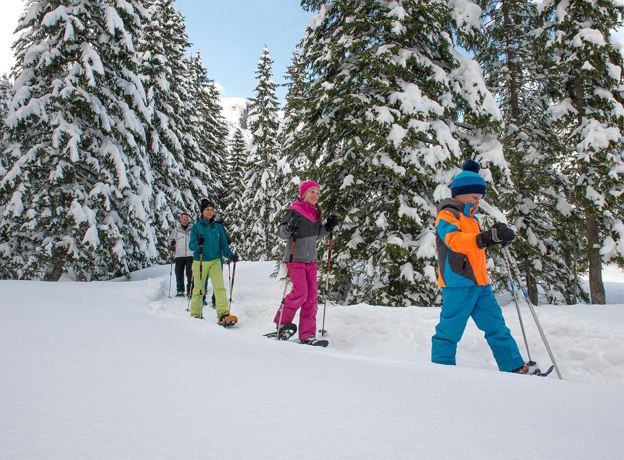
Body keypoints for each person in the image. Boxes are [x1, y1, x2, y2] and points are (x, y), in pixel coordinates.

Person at [432, 160, 534, 374]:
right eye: (474, 197)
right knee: (449, 332)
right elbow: (455, 241)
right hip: (458, 283)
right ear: (460, 193)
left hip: (480, 283)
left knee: (497, 327)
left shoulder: (471, 218)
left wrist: (494, 238)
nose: (478, 201)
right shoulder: (447, 215)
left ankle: (514, 366)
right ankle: (440, 372)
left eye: (480, 197)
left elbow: (476, 244)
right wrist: (485, 238)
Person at [273, 180, 340, 345]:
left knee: (311, 298)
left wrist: (328, 226)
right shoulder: (294, 211)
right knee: (300, 293)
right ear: (303, 194)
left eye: (317, 193)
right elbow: (281, 233)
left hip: (311, 260)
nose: (315, 195)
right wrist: (289, 227)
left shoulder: (315, 213)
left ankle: (307, 334)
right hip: (295, 258)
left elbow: (317, 235)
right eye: (312, 192)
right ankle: (282, 323)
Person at [188, 199, 239, 325]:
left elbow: (223, 244)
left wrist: (231, 256)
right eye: (207, 210)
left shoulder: (218, 227)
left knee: (219, 288)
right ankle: (196, 315)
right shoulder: (196, 227)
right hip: (200, 260)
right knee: (199, 289)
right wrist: (198, 244)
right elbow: (191, 245)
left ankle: (223, 315)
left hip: (216, 260)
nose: (210, 212)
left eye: (211, 209)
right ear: (202, 212)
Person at [169, 212, 193, 297]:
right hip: (179, 255)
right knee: (179, 273)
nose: (185, 221)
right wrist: (172, 244)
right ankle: (180, 290)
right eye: (183, 219)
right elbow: (170, 240)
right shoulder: (176, 230)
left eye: (186, 219)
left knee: (190, 274)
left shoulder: (192, 229)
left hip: (190, 255)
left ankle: (190, 290)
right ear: (180, 219)